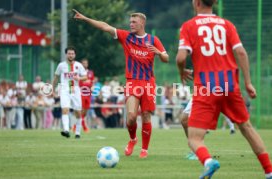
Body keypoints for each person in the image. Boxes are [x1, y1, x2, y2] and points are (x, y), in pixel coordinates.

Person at [176, 0, 272, 178]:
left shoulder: (189, 26)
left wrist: (182, 72)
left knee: (194, 138)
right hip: (229, 85)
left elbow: (181, 58)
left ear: (196, 3)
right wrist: (248, 83)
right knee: (247, 128)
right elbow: (241, 52)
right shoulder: (226, 24)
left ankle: (208, 161)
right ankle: (269, 171)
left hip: (206, 87)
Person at [73, 10, 169, 158]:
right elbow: (105, 27)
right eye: (130, 22)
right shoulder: (126, 37)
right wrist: (85, 18)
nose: (131, 24)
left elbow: (166, 58)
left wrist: (159, 53)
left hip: (149, 83)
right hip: (132, 81)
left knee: (145, 116)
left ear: (142, 23)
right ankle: (132, 139)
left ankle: (144, 149)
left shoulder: (153, 39)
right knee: (131, 116)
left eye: (134, 22)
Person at [52, 47, 87, 139]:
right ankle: (66, 130)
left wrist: (79, 78)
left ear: (74, 55)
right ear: (66, 54)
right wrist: (52, 89)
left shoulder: (79, 65)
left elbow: (85, 77)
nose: (70, 55)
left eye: (72, 53)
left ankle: (78, 132)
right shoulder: (61, 65)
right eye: (69, 53)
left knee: (78, 113)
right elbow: (56, 77)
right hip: (64, 89)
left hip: (75, 89)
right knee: (65, 110)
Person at [72, 58, 94, 133]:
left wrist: (92, 86)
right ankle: (83, 127)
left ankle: (75, 126)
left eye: (86, 63)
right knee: (81, 111)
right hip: (81, 93)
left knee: (85, 111)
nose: (85, 65)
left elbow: (91, 81)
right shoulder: (79, 73)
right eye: (83, 63)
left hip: (88, 94)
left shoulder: (90, 72)